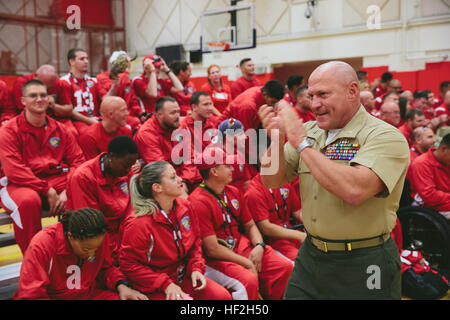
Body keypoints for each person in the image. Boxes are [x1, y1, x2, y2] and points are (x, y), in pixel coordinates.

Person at [259, 61, 409, 300]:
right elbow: (270, 180)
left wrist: (302, 144)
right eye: (311, 95)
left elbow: (354, 190)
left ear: (352, 91)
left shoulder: (385, 136)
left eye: (323, 94)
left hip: (365, 260)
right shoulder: (309, 132)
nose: (315, 103)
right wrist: (276, 141)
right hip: (312, 256)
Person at [188, 147, 293, 300]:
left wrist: (259, 246)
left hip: (242, 247)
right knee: (248, 281)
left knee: (285, 267)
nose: (232, 168)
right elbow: (211, 249)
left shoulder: (232, 191)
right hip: (220, 257)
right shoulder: (197, 201)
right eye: (227, 165)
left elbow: (250, 225)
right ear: (214, 172)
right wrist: (246, 262)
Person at [119, 161, 232, 300]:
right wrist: (165, 284)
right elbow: (129, 265)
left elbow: (195, 240)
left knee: (222, 297)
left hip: (183, 275)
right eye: (173, 177)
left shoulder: (185, 206)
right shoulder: (138, 224)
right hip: (155, 286)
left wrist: (196, 267)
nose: (180, 180)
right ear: (157, 187)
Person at [0, 79, 85, 253]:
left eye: (43, 95)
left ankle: (77, 253)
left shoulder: (61, 129)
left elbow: (78, 161)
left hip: (54, 179)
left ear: (49, 99)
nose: (39, 99)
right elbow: (14, 170)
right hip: (18, 183)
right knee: (28, 201)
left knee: (83, 188)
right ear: (22, 101)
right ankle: (35, 258)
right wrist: (47, 189)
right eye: (33, 95)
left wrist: (68, 189)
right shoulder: (8, 131)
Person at [14, 208, 148, 300]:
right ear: (71, 237)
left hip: (89, 295)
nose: (92, 254)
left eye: (96, 249)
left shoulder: (99, 236)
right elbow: (31, 293)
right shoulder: (42, 244)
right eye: (86, 249)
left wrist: (122, 286)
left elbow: (106, 268)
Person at [67, 135, 139, 258]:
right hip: (95, 236)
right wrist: (117, 251)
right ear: (111, 157)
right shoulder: (83, 177)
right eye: (126, 165)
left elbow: (132, 210)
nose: (129, 170)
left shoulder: (127, 172)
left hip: (122, 232)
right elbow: (91, 223)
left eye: (131, 165)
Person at [133, 96, 200, 196]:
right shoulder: (146, 133)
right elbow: (161, 169)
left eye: (178, 112)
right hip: (163, 182)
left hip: (186, 178)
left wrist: (185, 180)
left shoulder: (179, 126)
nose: (177, 116)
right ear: (159, 115)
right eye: (173, 113)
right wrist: (179, 184)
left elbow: (190, 157)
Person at [244, 173, 305, 264]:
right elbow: (266, 228)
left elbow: (297, 212)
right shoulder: (254, 191)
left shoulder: (284, 181)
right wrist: (298, 235)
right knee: (304, 262)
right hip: (274, 241)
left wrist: (312, 225)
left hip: (292, 234)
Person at [12, 64, 76, 136]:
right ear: (35, 76)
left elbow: (69, 110)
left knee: (71, 132)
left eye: (48, 89)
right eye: (33, 95)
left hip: (57, 118)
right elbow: (22, 110)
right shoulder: (22, 83)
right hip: (32, 120)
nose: (44, 91)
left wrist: (54, 106)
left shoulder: (61, 84)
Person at [95, 51, 141, 131]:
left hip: (128, 115)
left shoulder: (127, 80)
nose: (125, 68)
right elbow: (106, 101)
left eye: (126, 65)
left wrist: (141, 113)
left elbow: (133, 101)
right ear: (113, 64)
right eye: (122, 65)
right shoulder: (101, 78)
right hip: (111, 116)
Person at [60, 48, 102, 133]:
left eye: (87, 58)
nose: (86, 61)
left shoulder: (94, 81)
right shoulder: (64, 82)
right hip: (78, 123)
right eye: (82, 59)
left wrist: (115, 85)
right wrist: (89, 120)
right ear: (71, 62)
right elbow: (69, 111)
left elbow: (106, 99)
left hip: (96, 119)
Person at [409, 133, 450, 218]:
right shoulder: (421, 163)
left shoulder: (446, 160)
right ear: (443, 149)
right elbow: (429, 196)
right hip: (429, 208)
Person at [219, 80, 285, 131]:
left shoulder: (263, 90)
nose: (273, 106)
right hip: (225, 129)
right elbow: (245, 136)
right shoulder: (248, 106)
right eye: (272, 102)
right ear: (265, 94)